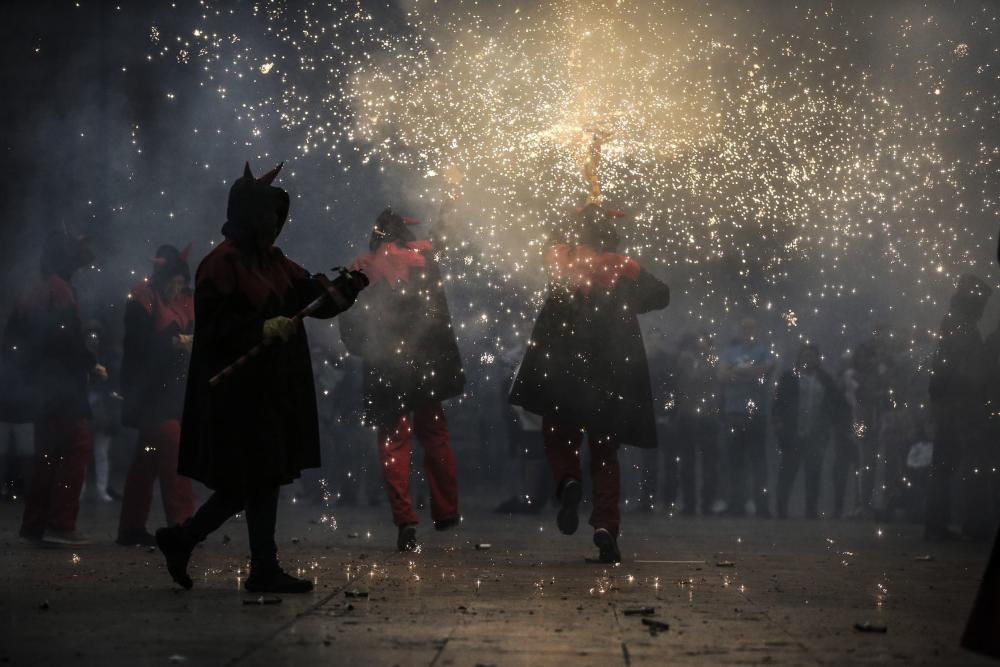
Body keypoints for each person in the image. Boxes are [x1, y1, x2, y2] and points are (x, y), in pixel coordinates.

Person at [154, 162, 367, 593]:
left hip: (269, 390)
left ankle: (187, 540)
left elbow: (314, 298)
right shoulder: (219, 265)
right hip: (237, 394)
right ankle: (252, 564)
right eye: (267, 213)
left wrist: (348, 288)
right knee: (256, 478)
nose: (274, 221)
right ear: (250, 215)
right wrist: (259, 328)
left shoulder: (276, 262)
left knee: (254, 480)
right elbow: (214, 329)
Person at [509, 204, 670, 563]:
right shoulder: (620, 268)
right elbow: (662, 295)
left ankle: (567, 480)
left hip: (565, 373)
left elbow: (549, 243)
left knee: (557, 434)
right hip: (609, 377)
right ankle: (605, 526)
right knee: (605, 454)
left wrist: (573, 218)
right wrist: (634, 269)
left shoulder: (561, 263)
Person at [340, 208, 465, 552]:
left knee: (394, 444)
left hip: (386, 365)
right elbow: (439, 316)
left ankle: (405, 518)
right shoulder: (424, 260)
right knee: (435, 435)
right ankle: (446, 510)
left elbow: (351, 318)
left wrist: (362, 349)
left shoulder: (363, 266)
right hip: (425, 363)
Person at [5, 230, 107, 545]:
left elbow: (13, 340)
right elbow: (65, 337)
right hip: (61, 386)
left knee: (47, 454)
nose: (77, 269)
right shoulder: (60, 290)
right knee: (76, 446)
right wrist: (90, 363)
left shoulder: (30, 292)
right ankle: (60, 523)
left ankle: (34, 524)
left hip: (39, 387)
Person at [116, 245, 197, 546]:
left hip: (175, 389)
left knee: (147, 460)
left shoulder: (186, 300)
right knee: (174, 447)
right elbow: (137, 346)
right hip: (150, 391)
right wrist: (173, 342)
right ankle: (182, 524)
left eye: (180, 281)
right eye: (173, 281)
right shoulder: (143, 297)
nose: (177, 287)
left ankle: (131, 528)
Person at [925, 274, 993, 541]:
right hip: (959, 407)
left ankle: (938, 524)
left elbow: (941, 371)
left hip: (951, 406)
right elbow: (962, 372)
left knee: (947, 465)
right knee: (961, 465)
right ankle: (962, 525)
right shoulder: (961, 328)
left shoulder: (954, 324)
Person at [773, 344, 848, 519]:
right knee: (788, 471)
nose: (808, 359)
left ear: (817, 359)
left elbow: (837, 403)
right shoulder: (789, 377)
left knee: (813, 472)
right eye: (805, 355)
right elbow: (778, 403)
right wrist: (779, 424)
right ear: (799, 358)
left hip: (816, 434)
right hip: (793, 433)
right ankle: (781, 508)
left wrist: (833, 424)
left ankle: (811, 510)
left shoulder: (825, 380)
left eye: (811, 356)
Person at [718, 317, 775, 518]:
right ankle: (737, 503)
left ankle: (762, 506)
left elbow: (763, 373)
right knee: (735, 461)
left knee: (758, 461)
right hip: (734, 412)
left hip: (757, 412)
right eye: (744, 328)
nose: (747, 331)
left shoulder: (764, 351)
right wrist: (750, 374)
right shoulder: (729, 352)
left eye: (750, 328)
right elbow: (722, 376)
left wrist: (738, 373)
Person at [670, 330, 721, 516]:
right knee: (687, 464)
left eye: (704, 342)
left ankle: (706, 504)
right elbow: (683, 383)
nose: (701, 345)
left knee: (708, 464)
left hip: (707, 417)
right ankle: (690, 504)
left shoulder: (712, 360)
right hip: (688, 416)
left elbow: (713, 377)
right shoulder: (684, 361)